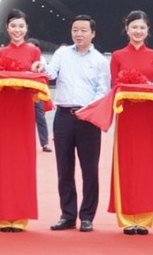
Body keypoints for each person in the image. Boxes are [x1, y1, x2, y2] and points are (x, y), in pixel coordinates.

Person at [107, 10, 153, 234]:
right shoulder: (117, 56)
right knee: (126, 164)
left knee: (147, 165)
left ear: (148, 31)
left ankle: (144, 219)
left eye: (142, 28)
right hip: (126, 116)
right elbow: (113, 87)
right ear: (127, 29)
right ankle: (126, 218)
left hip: (148, 117)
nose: (138, 31)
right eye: (134, 27)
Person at [46, 15, 110, 232]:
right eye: (75, 30)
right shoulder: (62, 53)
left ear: (93, 33)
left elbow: (103, 90)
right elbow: (50, 73)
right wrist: (39, 66)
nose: (79, 34)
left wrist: (88, 109)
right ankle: (67, 214)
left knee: (89, 169)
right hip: (63, 116)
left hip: (87, 118)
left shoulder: (100, 60)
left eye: (84, 30)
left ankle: (87, 216)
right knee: (64, 168)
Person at [0, 11, 47, 231]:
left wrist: (39, 70)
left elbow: (41, 78)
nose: (17, 30)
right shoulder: (1, 53)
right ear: (7, 27)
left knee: (22, 161)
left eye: (21, 26)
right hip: (4, 111)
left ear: (26, 28)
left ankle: (20, 217)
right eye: (13, 26)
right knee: (3, 161)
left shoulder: (34, 51)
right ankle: (2, 216)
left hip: (24, 111)